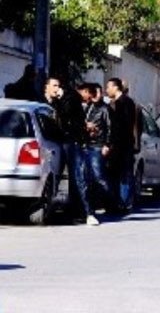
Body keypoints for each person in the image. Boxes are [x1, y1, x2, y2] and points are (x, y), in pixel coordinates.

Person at [45, 77, 94, 225]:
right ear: (46, 87)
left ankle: (87, 212)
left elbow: (65, 113)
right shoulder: (42, 101)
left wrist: (58, 99)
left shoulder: (70, 97)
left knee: (77, 176)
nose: (56, 88)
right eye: (53, 85)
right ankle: (50, 209)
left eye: (58, 85)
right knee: (54, 176)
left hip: (70, 141)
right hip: (54, 143)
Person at [78, 83, 114, 222]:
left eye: (98, 93)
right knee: (88, 177)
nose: (95, 95)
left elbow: (110, 128)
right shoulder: (88, 107)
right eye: (94, 93)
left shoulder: (105, 109)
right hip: (87, 144)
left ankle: (110, 200)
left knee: (99, 176)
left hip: (98, 145)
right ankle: (93, 203)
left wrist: (107, 144)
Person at [106, 78, 137, 213]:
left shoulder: (123, 103)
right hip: (119, 145)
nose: (107, 90)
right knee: (116, 174)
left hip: (123, 145)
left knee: (124, 174)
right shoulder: (117, 103)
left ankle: (123, 204)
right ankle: (116, 203)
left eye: (108, 87)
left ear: (116, 87)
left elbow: (122, 126)